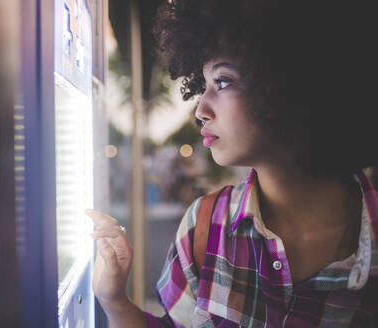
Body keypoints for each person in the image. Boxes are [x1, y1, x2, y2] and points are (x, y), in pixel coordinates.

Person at [85, 0, 378, 326]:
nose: (200, 110)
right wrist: (113, 299)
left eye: (222, 82)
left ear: (290, 80)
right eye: (203, 84)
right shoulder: (203, 226)